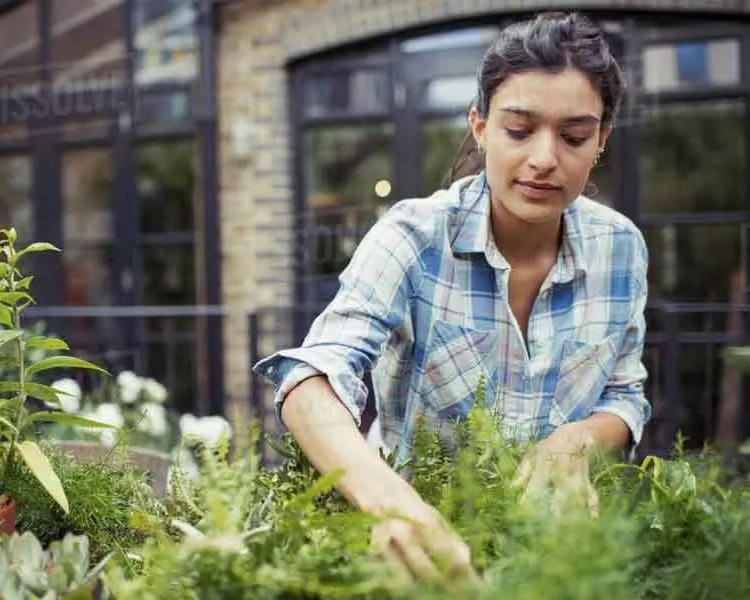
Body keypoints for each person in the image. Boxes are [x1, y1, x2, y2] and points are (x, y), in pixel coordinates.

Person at [253, 11, 651, 584]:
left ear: (601, 142)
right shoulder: (412, 237)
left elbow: (625, 393)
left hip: (558, 558)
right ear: (481, 127)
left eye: (572, 136)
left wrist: (576, 440)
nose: (544, 158)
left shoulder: (622, 249)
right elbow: (311, 380)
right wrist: (388, 499)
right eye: (519, 130)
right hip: (423, 560)